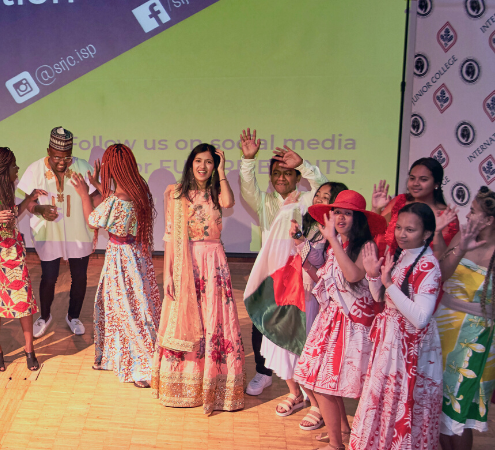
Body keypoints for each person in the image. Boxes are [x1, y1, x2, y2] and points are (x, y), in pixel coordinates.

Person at [151, 144, 245, 413]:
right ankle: (184, 383)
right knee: (187, 319)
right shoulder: (176, 193)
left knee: (214, 319)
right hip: (185, 262)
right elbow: (169, 236)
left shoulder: (217, 192)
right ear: (190, 163)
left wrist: (224, 171)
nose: (203, 167)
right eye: (198, 161)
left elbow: (228, 203)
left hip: (213, 261)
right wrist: (168, 273)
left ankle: (215, 383)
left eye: (209, 163)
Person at [248, 182, 348, 430]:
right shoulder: (307, 222)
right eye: (318, 196)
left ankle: (316, 405)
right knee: (279, 341)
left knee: (303, 349)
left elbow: (317, 261)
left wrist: (302, 242)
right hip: (290, 289)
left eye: (327, 198)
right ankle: (295, 393)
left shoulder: (335, 232)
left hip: (312, 297)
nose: (320, 200)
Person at [292, 190, 386, 450]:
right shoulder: (338, 244)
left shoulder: (365, 245)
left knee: (324, 386)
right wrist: (304, 252)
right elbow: (325, 278)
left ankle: (336, 445)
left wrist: (332, 239)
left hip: (351, 325)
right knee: (318, 381)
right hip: (330, 320)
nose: (341, 217)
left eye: (347, 213)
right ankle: (343, 430)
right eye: (337, 212)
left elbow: (354, 275)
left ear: (358, 219)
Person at [238, 128, 328, 396]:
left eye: (287, 173)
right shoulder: (265, 202)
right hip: (271, 273)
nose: (280, 178)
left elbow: (324, 187)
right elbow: (246, 186)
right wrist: (248, 160)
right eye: (275, 174)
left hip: (301, 273)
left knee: (297, 326)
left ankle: (304, 383)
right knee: (261, 320)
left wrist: (303, 164)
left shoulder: (307, 201)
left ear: (297, 178)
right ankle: (263, 373)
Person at [350, 202, 443, 450]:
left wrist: (388, 283)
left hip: (409, 349)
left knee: (403, 405)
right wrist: (373, 276)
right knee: (386, 402)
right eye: (399, 227)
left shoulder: (428, 266)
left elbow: (421, 318)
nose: (402, 234)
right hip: (394, 343)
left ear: (426, 234)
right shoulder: (404, 255)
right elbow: (383, 298)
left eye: (410, 230)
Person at [73, 144, 161, 388]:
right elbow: (114, 197)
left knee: (124, 309)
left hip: (121, 261)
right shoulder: (138, 188)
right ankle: (120, 357)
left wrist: (84, 193)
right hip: (138, 256)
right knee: (137, 305)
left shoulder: (117, 201)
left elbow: (93, 220)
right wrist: (99, 186)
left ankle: (143, 366)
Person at [17, 127, 101, 338]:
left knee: (80, 277)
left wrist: (97, 189)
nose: (62, 162)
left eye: (67, 157)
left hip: (78, 231)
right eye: (56, 157)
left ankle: (73, 316)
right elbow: (29, 203)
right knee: (49, 276)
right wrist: (39, 210)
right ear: (48, 151)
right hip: (48, 232)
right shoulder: (35, 169)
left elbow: (95, 199)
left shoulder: (82, 166)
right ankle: (45, 316)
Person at [0, 147, 47, 372]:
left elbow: (14, 212)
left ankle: (29, 349)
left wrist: (29, 199)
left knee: (24, 303)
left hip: (13, 252)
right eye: (14, 165)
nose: (18, 169)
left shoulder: (5, 188)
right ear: (4, 168)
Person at [436, 187, 495, 450]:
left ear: (489, 220)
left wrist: (455, 303)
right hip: (441, 332)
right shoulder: (462, 236)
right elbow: (442, 273)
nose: (468, 215)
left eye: (473, 211)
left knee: (461, 410)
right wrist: (440, 234)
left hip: (476, 341)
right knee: (438, 408)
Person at [371, 157, 460, 258]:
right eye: (412, 178)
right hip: (386, 267)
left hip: (422, 271)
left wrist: (437, 232)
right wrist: (376, 209)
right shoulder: (400, 201)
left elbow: (445, 258)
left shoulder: (446, 215)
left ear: (436, 184)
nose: (415, 183)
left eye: (423, 179)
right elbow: (374, 232)